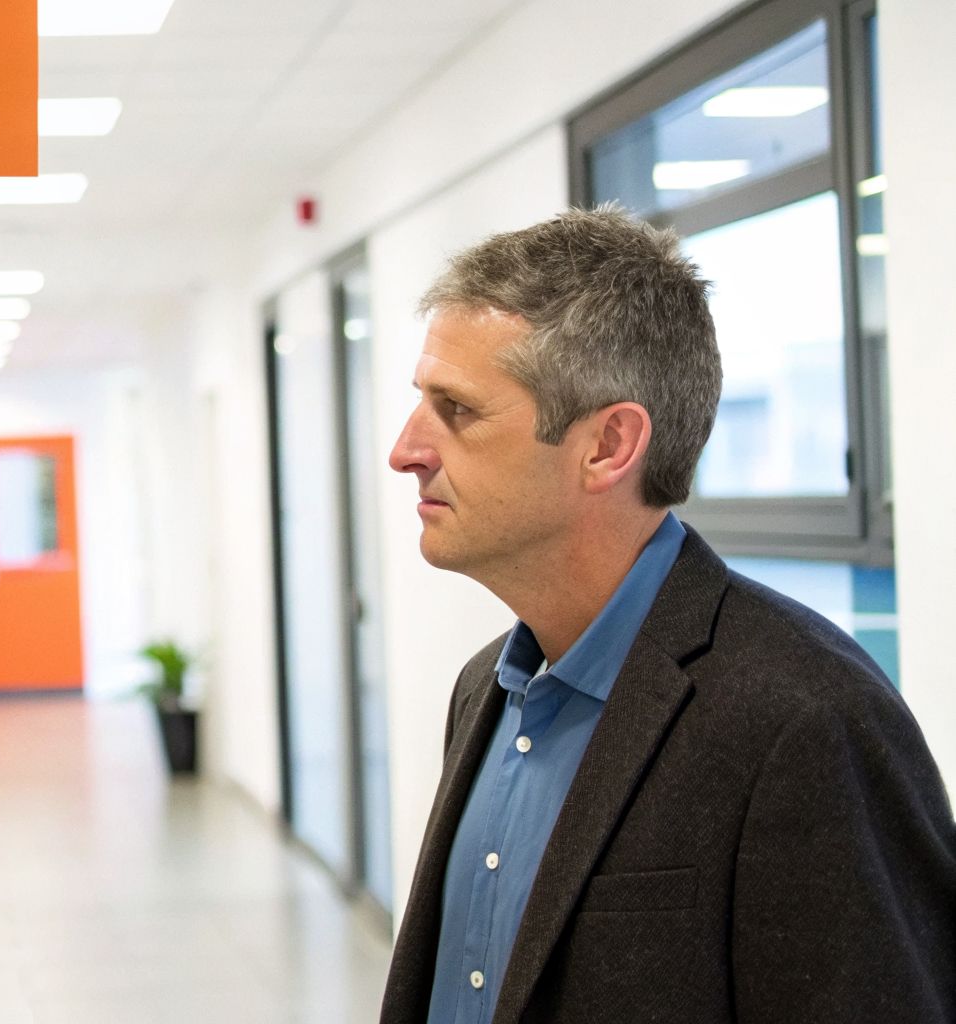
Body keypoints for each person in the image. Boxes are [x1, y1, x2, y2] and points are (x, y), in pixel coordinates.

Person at [378, 207, 956, 1024]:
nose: (405, 450)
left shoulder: (807, 722)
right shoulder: (485, 689)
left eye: (458, 410)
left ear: (609, 446)